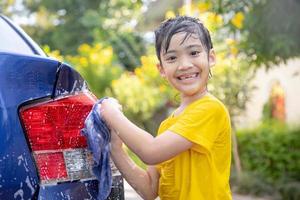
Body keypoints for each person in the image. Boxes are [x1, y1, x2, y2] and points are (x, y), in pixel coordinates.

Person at [99, 16, 232, 200]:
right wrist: (115, 148)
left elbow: (150, 152)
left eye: (193, 53)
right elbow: (149, 189)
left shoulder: (210, 109)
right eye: (172, 58)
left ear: (211, 58)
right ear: (161, 69)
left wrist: (111, 113)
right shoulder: (167, 127)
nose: (184, 65)